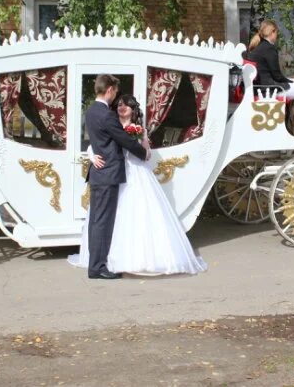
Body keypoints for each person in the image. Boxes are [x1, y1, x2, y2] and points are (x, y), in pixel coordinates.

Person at [69, 94, 207, 276]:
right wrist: (92, 156)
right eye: (119, 104)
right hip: (113, 173)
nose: (121, 107)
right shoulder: (110, 121)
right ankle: (103, 260)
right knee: (107, 218)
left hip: (134, 172)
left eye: (126, 105)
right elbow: (94, 143)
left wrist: (140, 144)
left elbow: (146, 154)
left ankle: (136, 259)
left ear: (133, 110)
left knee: (138, 214)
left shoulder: (139, 129)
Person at [80, 75, 149, 280]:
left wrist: (92, 154)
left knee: (96, 221)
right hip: (108, 173)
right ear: (109, 89)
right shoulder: (107, 115)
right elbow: (124, 140)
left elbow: (97, 140)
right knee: (103, 222)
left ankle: (96, 264)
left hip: (98, 173)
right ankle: (98, 267)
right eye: (115, 92)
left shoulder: (91, 111)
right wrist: (143, 153)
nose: (116, 96)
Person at [246, 19, 294, 135]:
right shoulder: (269, 49)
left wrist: (291, 82)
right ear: (272, 32)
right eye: (276, 33)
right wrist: (293, 83)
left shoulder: (257, 48)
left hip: (260, 89)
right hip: (271, 89)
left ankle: (288, 127)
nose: (277, 36)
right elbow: (277, 76)